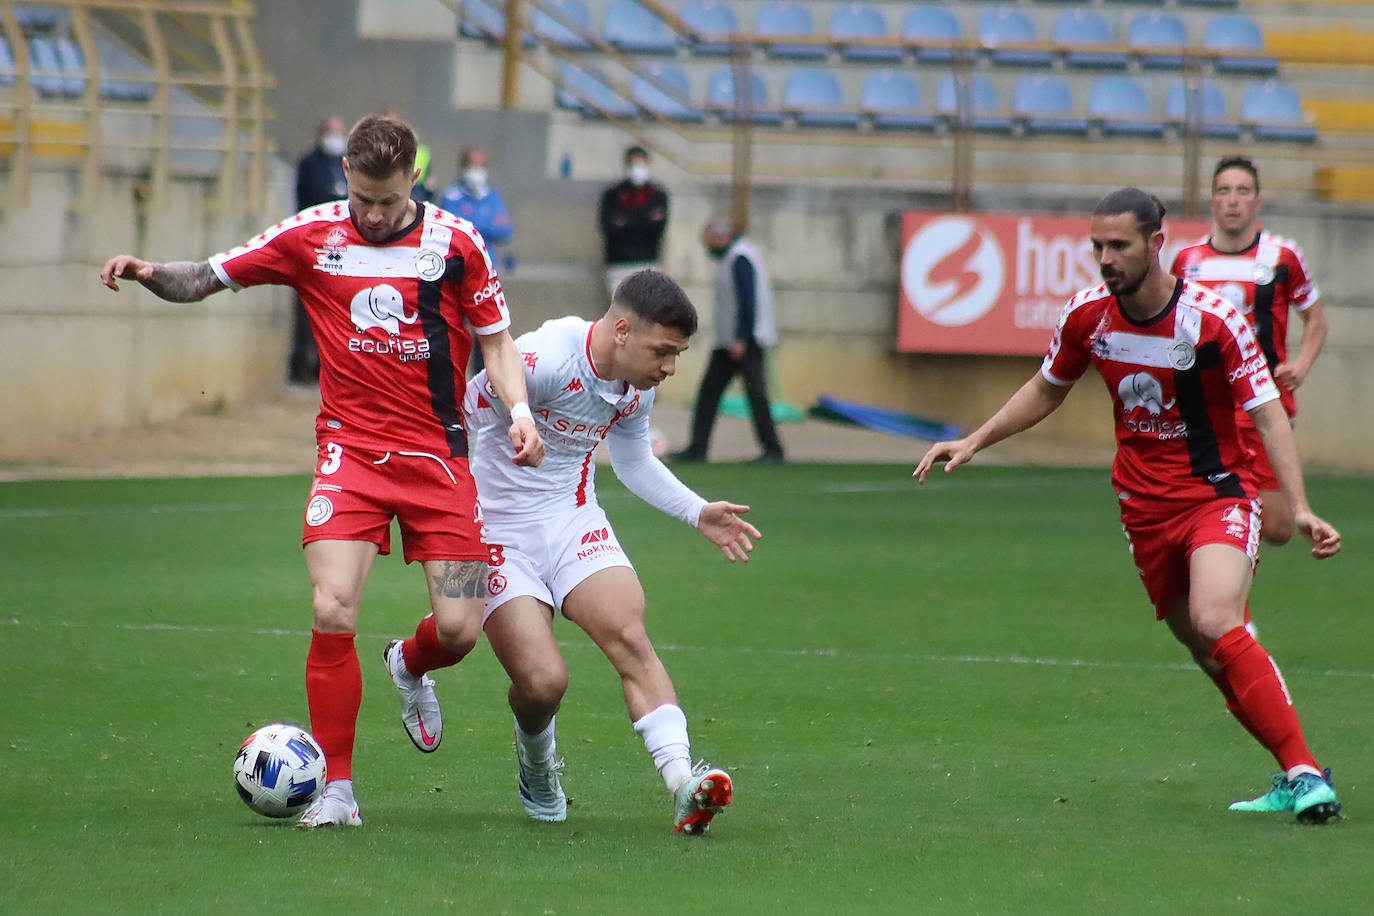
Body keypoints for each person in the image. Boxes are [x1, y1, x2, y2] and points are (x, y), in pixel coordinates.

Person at [99, 115, 544, 828]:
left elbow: (497, 344)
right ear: (347, 178)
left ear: (414, 183)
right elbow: (205, 278)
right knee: (331, 607)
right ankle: (338, 789)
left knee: (461, 628)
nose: (373, 215)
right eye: (363, 198)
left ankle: (409, 661)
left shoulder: (458, 244)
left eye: (388, 202)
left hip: (442, 466)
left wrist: (519, 412)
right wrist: (150, 273)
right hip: (351, 460)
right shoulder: (310, 235)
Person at [913, 188, 1343, 825]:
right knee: (1207, 647)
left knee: (1217, 618)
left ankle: (1308, 773)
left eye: (1119, 245)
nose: (1105, 258)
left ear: (1156, 243)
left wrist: (1300, 507)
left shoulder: (1213, 318)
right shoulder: (1088, 316)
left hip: (1216, 495)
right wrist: (976, 439)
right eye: (1097, 246)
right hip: (1144, 510)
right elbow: (1046, 387)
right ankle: (1292, 772)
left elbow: (1268, 414)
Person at [456, 268, 758, 834]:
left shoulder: (634, 387)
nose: (669, 367)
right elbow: (457, 425)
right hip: (494, 530)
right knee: (541, 681)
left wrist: (697, 512)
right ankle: (535, 763)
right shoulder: (542, 360)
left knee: (629, 633)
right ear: (622, 330)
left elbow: (633, 458)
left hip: (572, 520)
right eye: (663, 351)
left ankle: (682, 784)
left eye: (678, 355)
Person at [1170, 156, 1328, 546]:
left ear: (1257, 202)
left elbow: (1316, 319)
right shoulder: (1187, 260)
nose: (1233, 200)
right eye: (1224, 191)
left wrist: (1302, 364)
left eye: (1242, 191)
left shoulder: (1282, 257)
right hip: (1207, 403)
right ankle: (1221, 580)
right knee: (1213, 510)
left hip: (1264, 398)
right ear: (1212, 202)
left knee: (1276, 528)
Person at [669, 219, 785, 464]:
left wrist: (741, 337)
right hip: (730, 341)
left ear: (722, 237)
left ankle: (773, 448)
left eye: (709, 241)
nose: (708, 247)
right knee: (709, 393)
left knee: (756, 394)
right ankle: (698, 447)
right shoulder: (732, 257)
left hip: (744, 340)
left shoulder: (740, 258)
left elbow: (747, 300)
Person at [288, 116, 349, 383]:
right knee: (307, 307)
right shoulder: (309, 163)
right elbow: (308, 198)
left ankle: (328, 367)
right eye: (331, 132)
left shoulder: (346, 164)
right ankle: (302, 364)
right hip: (313, 242)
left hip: (342, 243)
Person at [598, 145, 668, 297]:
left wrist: (626, 221)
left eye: (641, 163)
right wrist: (645, 219)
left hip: (648, 261)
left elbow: (658, 228)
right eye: (634, 163)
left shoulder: (657, 195)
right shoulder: (613, 194)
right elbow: (608, 228)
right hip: (618, 263)